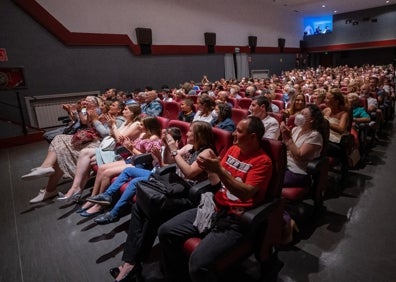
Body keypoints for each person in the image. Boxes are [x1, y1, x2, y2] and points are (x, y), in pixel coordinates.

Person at [157, 116, 273, 282]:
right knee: (165, 231)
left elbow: (245, 193)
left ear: (253, 137)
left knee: (198, 264)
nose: (233, 133)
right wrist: (211, 169)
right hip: (215, 206)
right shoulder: (233, 150)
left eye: (239, 131)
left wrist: (218, 169)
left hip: (236, 218)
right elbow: (217, 181)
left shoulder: (263, 162)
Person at [109, 121, 217, 282]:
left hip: (191, 197)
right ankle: (130, 263)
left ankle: (131, 264)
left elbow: (189, 173)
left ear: (200, 135)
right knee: (142, 207)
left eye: (190, 132)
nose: (187, 134)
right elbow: (168, 163)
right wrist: (166, 148)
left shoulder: (207, 152)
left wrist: (174, 149)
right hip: (175, 190)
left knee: (150, 211)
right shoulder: (188, 148)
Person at [21, 96, 110, 204]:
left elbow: (104, 134)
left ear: (96, 104)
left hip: (95, 144)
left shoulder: (100, 112)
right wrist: (82, 109)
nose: (86, 101)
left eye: (89, 100)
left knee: (60, 148)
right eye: (85, 100)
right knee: (59, 142)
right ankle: (47, 171)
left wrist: (94, 119)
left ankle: (49, 187)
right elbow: (83, 120)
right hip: (85, 141)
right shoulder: (89, 111)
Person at [88, 127, 183, 224]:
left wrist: (158, 158)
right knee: (128, 170)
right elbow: (154, 163)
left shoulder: (176, 152)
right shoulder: (162, 147)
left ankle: (113, 214)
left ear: (176, 141)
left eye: (168, 138)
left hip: (161, 177)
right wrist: (153, 157)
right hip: (154, 172)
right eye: (164, 136)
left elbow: (165, 170)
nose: (163, 138)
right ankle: (107, 195)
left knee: (134, 182)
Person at [78, 116, 163, 217]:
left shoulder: (154, 138)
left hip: (140, 163)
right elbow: (134, 148)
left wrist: (130, 148)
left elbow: (147, 157)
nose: (139, 126)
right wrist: (127, 144)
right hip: (132, 158)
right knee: (101, 168)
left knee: (107, 173)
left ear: (149, 126)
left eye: (142, 124)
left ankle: (99, 205)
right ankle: (94, 198)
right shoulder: (144, 134)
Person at [57, 103, 142, 201]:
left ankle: (77, 191)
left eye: (126, 110)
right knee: (85, 153)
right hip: (111, 146)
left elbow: (118, 139)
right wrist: (110, 126)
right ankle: (75, 189)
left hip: (119, 152)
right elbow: (110, 133)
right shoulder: (126, 121)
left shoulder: (132, 123)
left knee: (88, 158)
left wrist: (111, 125)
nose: (123, 111)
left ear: (133, 112)